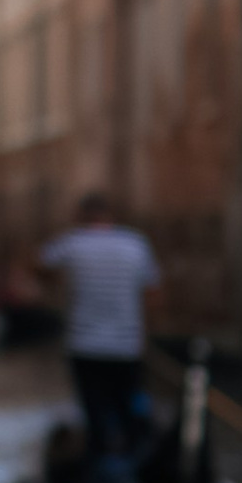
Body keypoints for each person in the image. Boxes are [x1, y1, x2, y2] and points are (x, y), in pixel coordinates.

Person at [40, 189, 160, 456]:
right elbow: (152, 294)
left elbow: (41, 267)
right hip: (127, 345)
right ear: (111, 215)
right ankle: (130, 463)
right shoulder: (136, 243)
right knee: (128, 411)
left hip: (85, 346)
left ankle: (102, 461)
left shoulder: (71, 243)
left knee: (94, 413)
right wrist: (144, 335)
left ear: (81, 215)